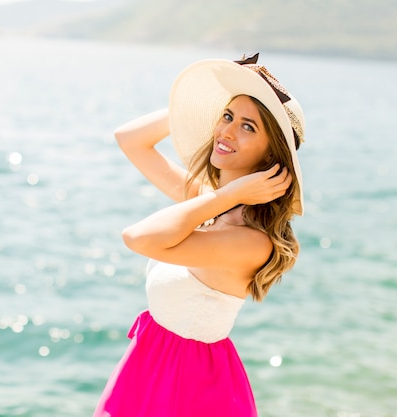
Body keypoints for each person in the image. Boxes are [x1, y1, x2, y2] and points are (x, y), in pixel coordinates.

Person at [93, 53, 306, 417]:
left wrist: (229, 195)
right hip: (146, 372)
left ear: (271, 154)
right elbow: (129, 139)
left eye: (248, 127)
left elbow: (138, 238)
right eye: (226, 117)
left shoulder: (251, 241)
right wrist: (200, 104)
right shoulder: (209, 203)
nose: (226, 131)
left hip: (188, 392)